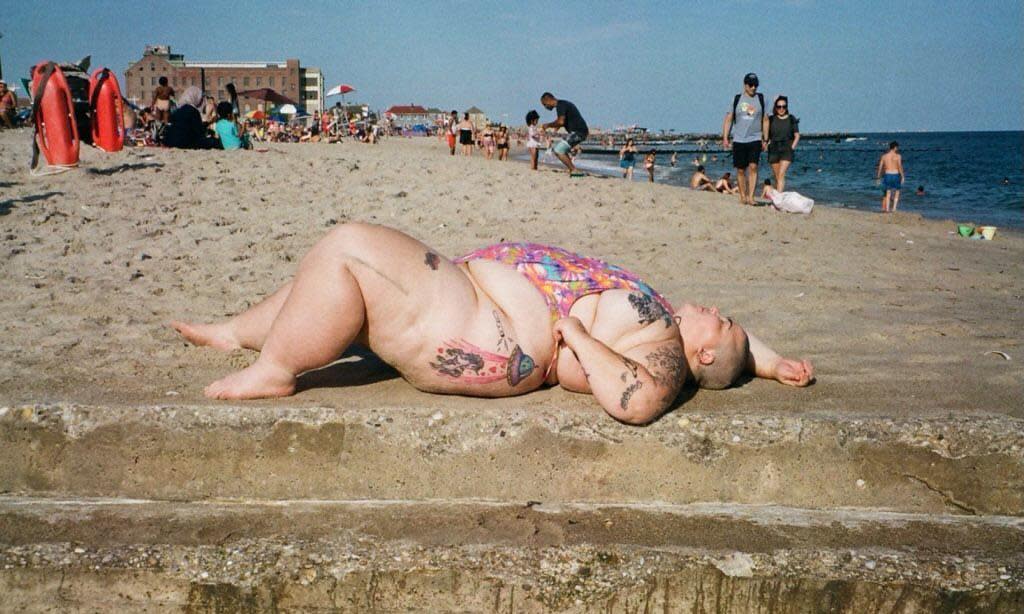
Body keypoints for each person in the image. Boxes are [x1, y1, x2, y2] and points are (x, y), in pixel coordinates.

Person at [171, 223, 814, 425]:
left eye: (721, 322)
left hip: (492, 329)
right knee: (328, 277)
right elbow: (742, 351)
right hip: (482, 295)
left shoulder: (665, 349)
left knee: (349, 252)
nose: (718, 311)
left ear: (700, 354)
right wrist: (773, 361)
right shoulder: (675, 323)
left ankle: (276, 370)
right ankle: (239, 331)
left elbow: (642, 400)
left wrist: (582, 339)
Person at [721, 73, 768, 206]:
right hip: (739, 139)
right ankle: (742, 196)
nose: (753, 88)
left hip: (755, 138)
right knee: (741, 169)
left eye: (756, 85)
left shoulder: (762, 99)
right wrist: (725, 137)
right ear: (745, 85)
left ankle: (751, 196)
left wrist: (765, 139)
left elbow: (765, 120)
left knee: (753, 167)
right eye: (751, 85)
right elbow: (729, 118)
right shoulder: (737, 99)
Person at [540, 92, 589, 176]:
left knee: (558, 150)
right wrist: (555, 128)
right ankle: (572, 169)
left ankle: (574, 170)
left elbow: (560, 121)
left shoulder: (560, 105)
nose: (545, 107)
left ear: (548, 100)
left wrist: (548, 125)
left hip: (578, 132)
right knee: (562, 150)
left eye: (545, 105)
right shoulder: (563, 104)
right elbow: (562, 121)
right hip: (580, 131)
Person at [766, 95, 799, 192]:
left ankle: (778, 199)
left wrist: (792, 147)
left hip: (786, 149)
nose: (781, 109)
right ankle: (777, 197)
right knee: (777, 176)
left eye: (784, 106)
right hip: (773, 149)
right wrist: (766, 143)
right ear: (775, 107)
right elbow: (765, 132)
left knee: (781, 174)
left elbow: (797, 135)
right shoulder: (771, 119)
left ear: (787, 107)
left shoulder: (791, 119)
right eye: (779, 106)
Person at [876, 141, 904, 212]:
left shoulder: (884, 156)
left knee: (888, 192)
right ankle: (894, 208)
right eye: (897, 148)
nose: (897, 149)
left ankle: (887, 209)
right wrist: (902, 176)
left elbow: (880, 167)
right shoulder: (898, 156)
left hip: (887, 174)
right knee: (897, 191)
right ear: (895, 147)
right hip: (895, 174)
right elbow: (900, 166)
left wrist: (878, 177)